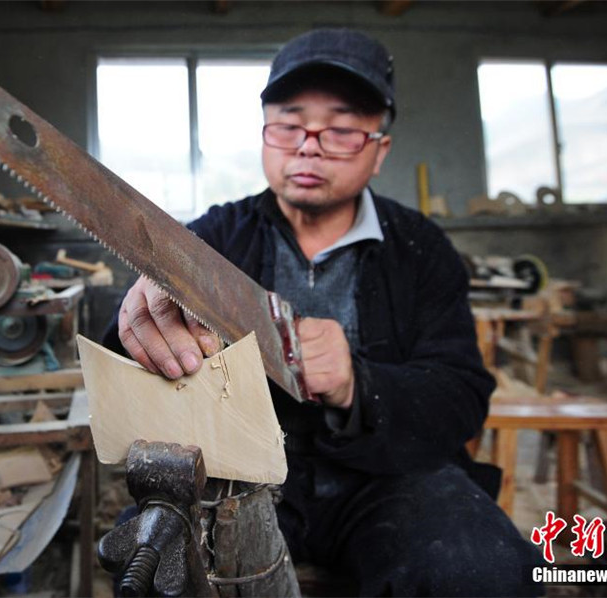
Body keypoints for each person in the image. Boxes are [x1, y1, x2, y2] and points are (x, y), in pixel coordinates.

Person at [105, 28, 542, 596]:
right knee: (156, 568)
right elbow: (123, 373)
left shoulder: (422, 249)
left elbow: (460, 396)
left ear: (379, 150)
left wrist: (359, 385)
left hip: (390, 479)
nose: (308, 147)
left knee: (482, 571)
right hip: (237, 478)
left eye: (340, 130)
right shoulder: (212, 238)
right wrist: (141, 320)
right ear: (265, 135)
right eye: (289, 125)